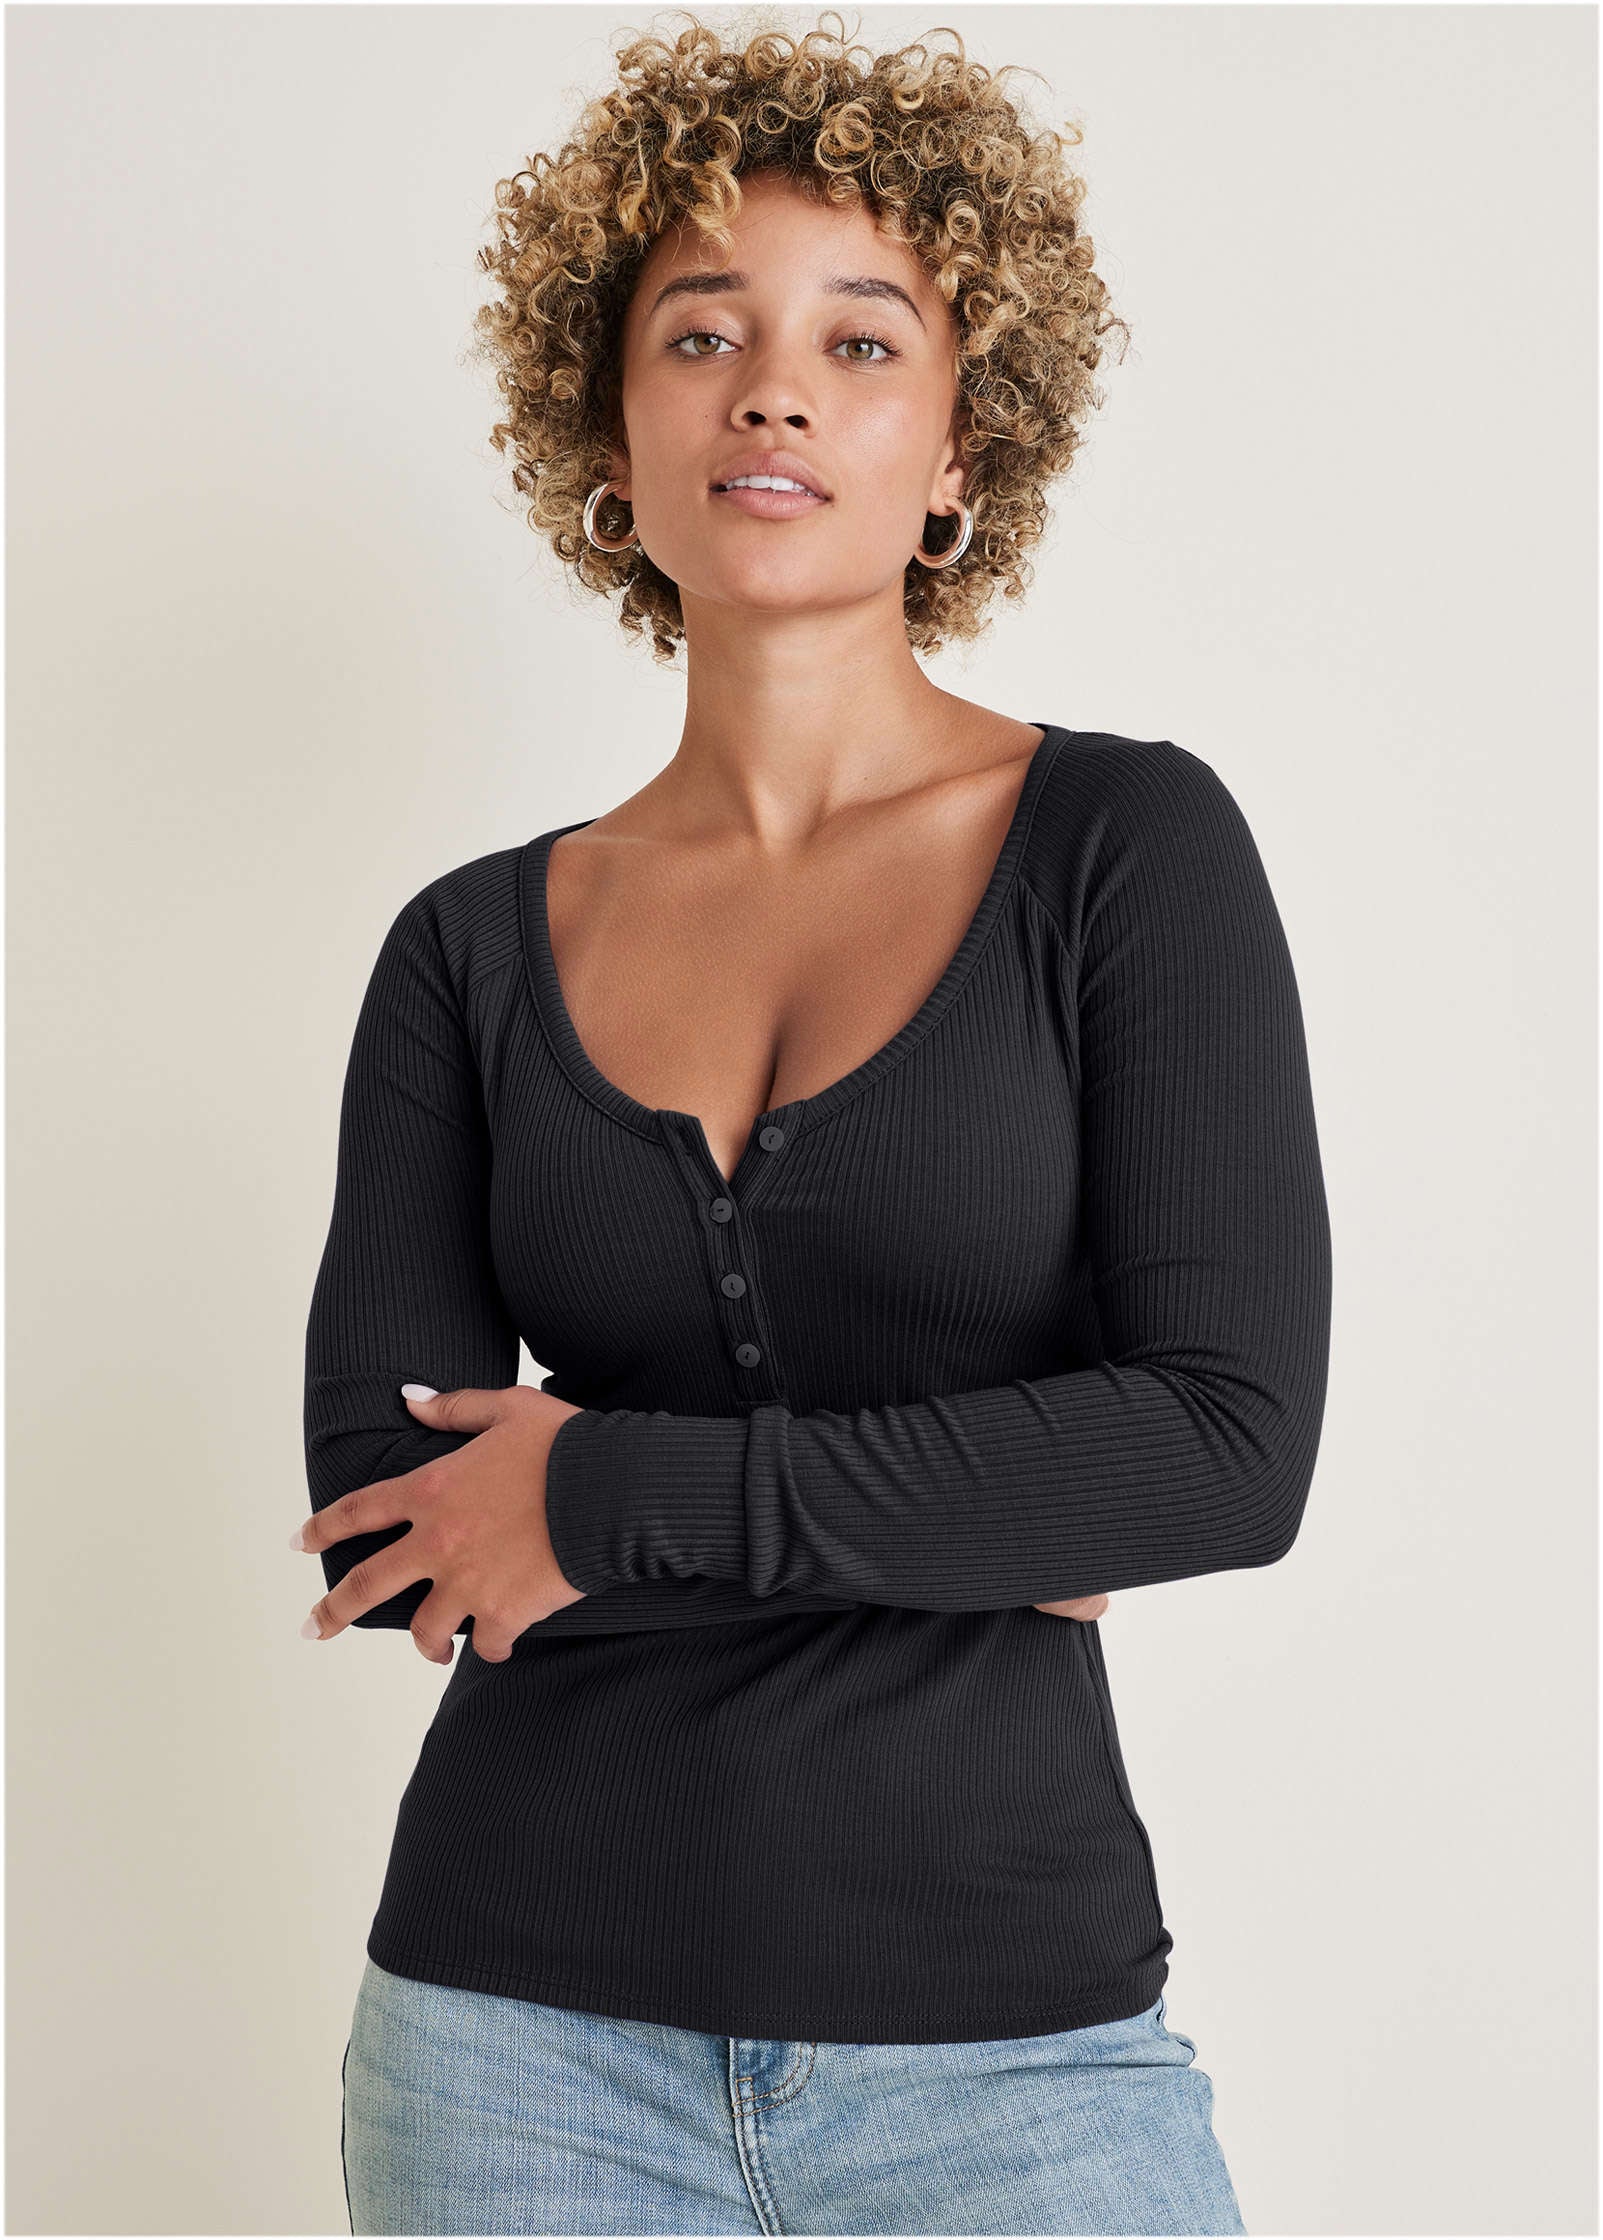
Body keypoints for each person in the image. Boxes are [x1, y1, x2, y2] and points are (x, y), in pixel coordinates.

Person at [293, 16, 1332, 2235]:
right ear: (612, 436)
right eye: (702, 335)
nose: (771, 392)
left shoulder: (1124, 852)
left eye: (860, 341)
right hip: (508, 2057)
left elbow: (1224, 1453)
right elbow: (391, 1522)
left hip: (1014, 2068)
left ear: (961, 451)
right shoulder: (468, 950)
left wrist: (598, 1488)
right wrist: (987, 1502)